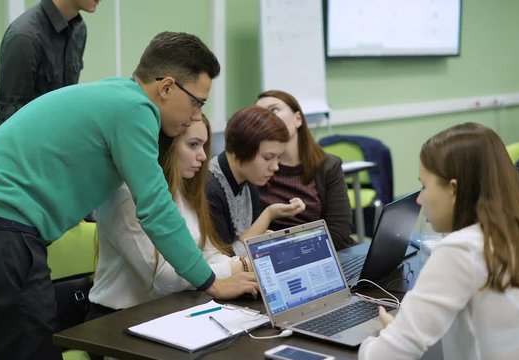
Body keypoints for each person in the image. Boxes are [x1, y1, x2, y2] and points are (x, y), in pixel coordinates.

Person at [0, 31, 257, 360]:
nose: (196, 115)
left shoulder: (119, 96)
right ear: (166, 87)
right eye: (197, 102)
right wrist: (212, 283)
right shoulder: (135, 110)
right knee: (31, 352)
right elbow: (155, 211)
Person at [359, 123, 519, 359]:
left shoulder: (461, 249)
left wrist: (382, 338)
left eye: (424, 186)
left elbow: (384, 356)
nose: (419, 199)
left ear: (453, 188)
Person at [88, 116, 250, 319]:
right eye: (193, 145)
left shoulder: (183, 189)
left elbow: (207, 251)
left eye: (204, 146)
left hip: (171, 309)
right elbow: (163, 279)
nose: (202, 156)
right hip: (118, 318)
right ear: (164, 146)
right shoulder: (125, 196)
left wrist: (241, 269)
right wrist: (239, 266)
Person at [255, 90, 354, 250]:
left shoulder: (327, 165)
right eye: (260, 115)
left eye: (274, 110)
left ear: (298, 119)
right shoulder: (255, 169)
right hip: (281, 259)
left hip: (330, 254)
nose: (267, 118)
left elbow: (339, 233)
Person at [206, 105, 306, 256]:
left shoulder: (249, 180)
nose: (275, 167)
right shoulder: (209, 188)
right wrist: (269, 214)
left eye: (278, 158)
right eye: (268, 158)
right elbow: (227, 259)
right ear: (240, 149)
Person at [0, 0, 100, 126]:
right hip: (31, 142)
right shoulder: (24, 37)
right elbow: (9, 118)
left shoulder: (79, 29)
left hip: (62, 138)